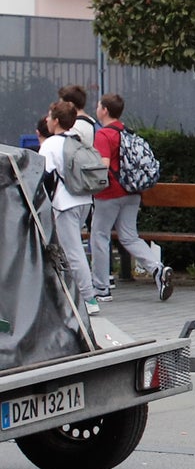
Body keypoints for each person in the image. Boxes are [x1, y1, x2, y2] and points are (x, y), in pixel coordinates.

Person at [89, 93, 173, 302]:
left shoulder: (103, 135)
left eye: (99, 105)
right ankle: (157, 269)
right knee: (129, 236)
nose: (97, 108)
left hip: (109, 193)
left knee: (99, 236)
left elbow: (104, 165)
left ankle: (101, 288)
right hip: (132, 192)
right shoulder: (127, 132)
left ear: (105, 110)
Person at [40, 101, 101, 316]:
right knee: (72, 249)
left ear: (56, 120)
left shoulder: (51, 144)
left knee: (73, 251)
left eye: (49, 116)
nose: (46, 120)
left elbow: (44, 175)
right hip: (84, 199)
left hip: (65, 203)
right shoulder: (77, 140)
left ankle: (88, 298)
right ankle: (73, 293)